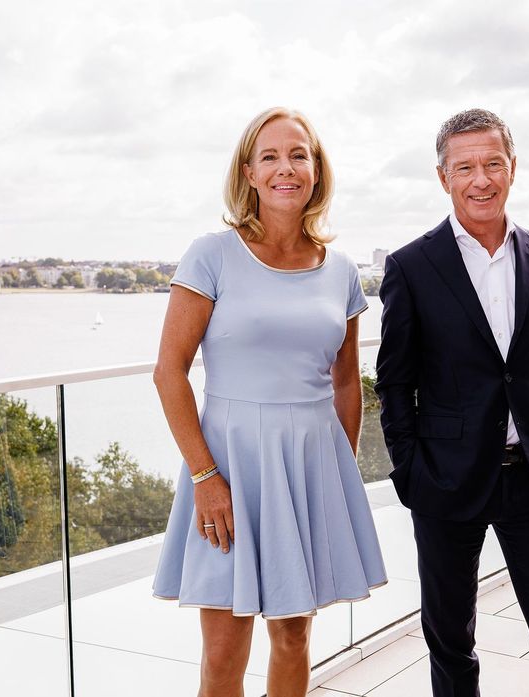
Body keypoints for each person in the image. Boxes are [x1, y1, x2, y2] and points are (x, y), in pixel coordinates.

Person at [151, 107, 387, 697]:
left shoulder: (341, 271)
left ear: (316, 169)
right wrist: (206, 475)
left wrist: (342, 466)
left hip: (310, 464)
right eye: (271, 156)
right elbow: (169, 373)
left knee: (294, 637)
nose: (287, 168)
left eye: (298, 155)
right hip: (227, 464)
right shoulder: (211, 254)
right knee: (224, 653)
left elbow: (345, 381)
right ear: (250, 173)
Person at [376, 108, 529, 697]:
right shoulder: (411, 266)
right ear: (443, 176)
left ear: (513, 168)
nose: (481, 179)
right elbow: (394, 383)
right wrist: (411, 471)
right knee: (451, 647)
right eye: (465, 167)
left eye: (492, 164)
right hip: (445, 483)